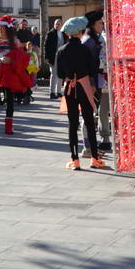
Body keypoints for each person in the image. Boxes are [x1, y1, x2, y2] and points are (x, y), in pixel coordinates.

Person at [57, 16, 105, 170]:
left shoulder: (61, 50)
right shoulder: (86, 49)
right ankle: (94, 158)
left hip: (70, 88)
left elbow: (59, 74)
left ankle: (75, 160)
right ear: (81, 32)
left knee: (72, 124)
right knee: (89, 121)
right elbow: (93, 69)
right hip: (84, 87)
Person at [0, 15, 32, 135]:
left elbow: (21, 57)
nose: (0, 29)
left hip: (10, 74)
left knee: (9, 100)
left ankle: (8, 127)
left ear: (8, 28)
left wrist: (12, 60)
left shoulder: (15, 41)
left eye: (3, 27)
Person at [82, 10, 112, 150]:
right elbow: (90, 63)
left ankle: (104, 138)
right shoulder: (89, 41)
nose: (102, 25)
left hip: (103, 79)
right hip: (93, 80)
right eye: (100, 23)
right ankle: (87, 145)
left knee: (104, 109)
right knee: (89, 111)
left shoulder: (100, 38)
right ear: (92, 24)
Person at [44, 18, 66, 99]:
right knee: (54, 74)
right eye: (56, 24)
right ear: (54, 25)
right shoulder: (50, 33)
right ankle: (52, 92)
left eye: (59, 24)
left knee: (60, 74)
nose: (57, 25)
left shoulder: (63, 34)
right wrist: (46, 57)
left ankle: (58, 92)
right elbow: (46, 46)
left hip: (61, 56)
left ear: (61, 25)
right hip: (53, 56)